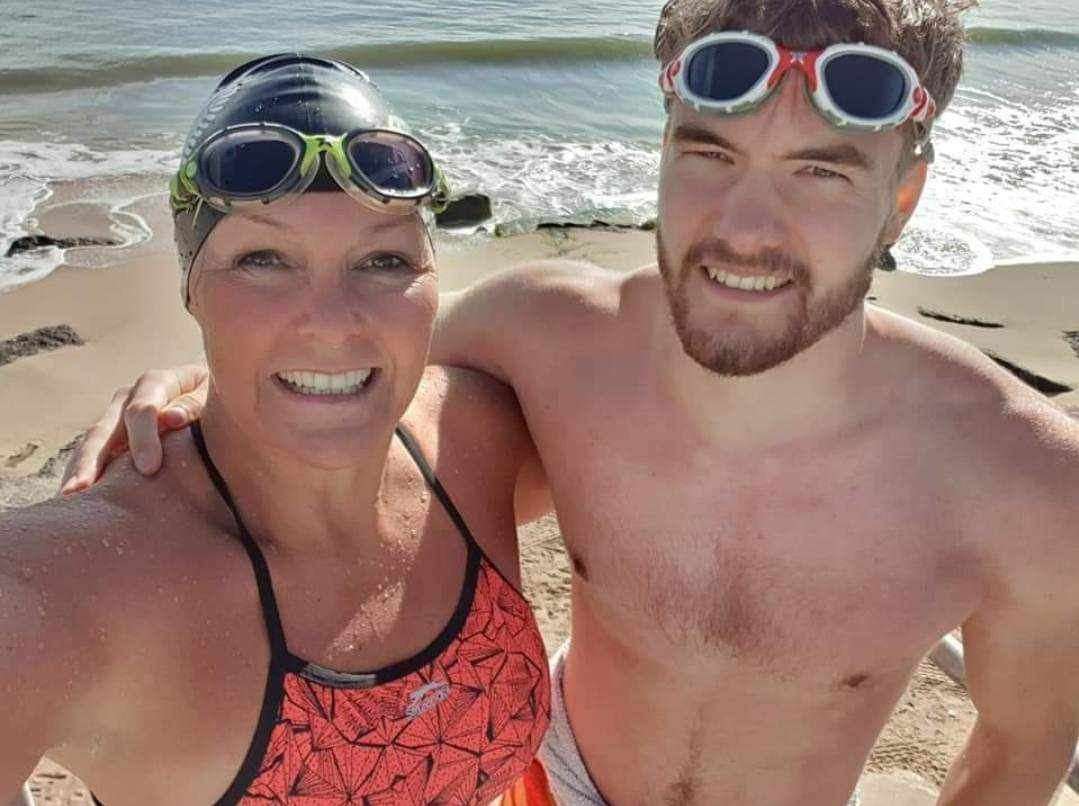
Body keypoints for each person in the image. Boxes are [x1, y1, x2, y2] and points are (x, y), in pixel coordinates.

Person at [65, 2, 1079, 804]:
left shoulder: (1022, 478)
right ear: (663, 145)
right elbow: (342, 349)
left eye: (819, 172)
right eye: (709, 154)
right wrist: (194, 384)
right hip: (545, 777)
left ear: (900, 194)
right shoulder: (544, 337)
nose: (744, 229)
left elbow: (1021, 744)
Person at [1, 54, 553, 805]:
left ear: (432, 280)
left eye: (384, 259)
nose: (331, 325)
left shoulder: (480, 436)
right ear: (192, 286)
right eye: (263, 259)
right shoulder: (61, 590)